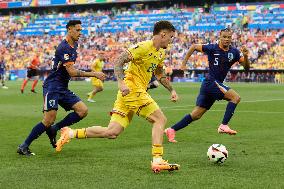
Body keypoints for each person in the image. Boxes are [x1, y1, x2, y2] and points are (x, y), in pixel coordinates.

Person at [55, 21, 180, 173]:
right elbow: (119, 60)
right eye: (171, 37)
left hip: (129, 93)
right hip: (132, 89)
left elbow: (159, 73)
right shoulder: (144, 46)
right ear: (163, 34)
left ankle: (70, 133)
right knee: (160, 119)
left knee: (112, 132)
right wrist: (121, 82)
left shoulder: (161, 52)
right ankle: (157, 160)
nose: (171, 40)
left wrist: (171, 90)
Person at [17, 20, 105, 156]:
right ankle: (24, 146)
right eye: (78, 30)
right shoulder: (63, 48)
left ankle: (55, 128)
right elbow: (72, 72)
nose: (80, 33)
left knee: (82, 110)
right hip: (52, 87)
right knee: (48, 120)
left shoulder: (74, 45)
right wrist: (95, 74)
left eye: (81, 30)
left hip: (62, 87)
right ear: (69, 29)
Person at [165, 28, 250, 143]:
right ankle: (224, 125)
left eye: (229, 37)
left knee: (196, 115)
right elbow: (194, 46)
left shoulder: (234, 52)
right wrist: (184, 63)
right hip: (211, 82)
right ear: (220, 36)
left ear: (231, 38)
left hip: (211, 84)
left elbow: (246, 68)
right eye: (224, 36)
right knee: (235, 97)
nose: (226, 39)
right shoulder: (212, 48)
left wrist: (245, 57)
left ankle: (171, 130)